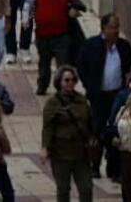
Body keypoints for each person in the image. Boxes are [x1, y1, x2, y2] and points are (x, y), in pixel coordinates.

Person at [77, 14, 131, 179]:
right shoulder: (91, 45)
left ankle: (113, 167)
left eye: (117, 27)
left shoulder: (124, 47)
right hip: (98, 96)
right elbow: (81, 65)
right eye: (113, 27)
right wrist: (89, 84)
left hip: (117, 96)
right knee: (97, 130)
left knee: (115, 130)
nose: (116, 31)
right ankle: (95, 165)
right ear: (104, 28)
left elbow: (130, 66)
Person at [41, 67, 97, 202]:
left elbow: (89, 122)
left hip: (81, 153)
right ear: (59, 82)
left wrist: (92, 137)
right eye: (66, 80)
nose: (70, 83)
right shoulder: (52, 102)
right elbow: (48, 127)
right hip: (61, 153)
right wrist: (45, 147)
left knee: (86, 188)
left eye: (73, 80)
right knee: (63, 189)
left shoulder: (81, 100)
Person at [33, 0, 81, 97]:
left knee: (63, 65)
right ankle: (42, 86)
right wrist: (27, 21)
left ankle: (63, 90)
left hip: (61, 35)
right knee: (44, 63)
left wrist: (73, 10)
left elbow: (73, 3)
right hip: (43, 34)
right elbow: (30, 5)